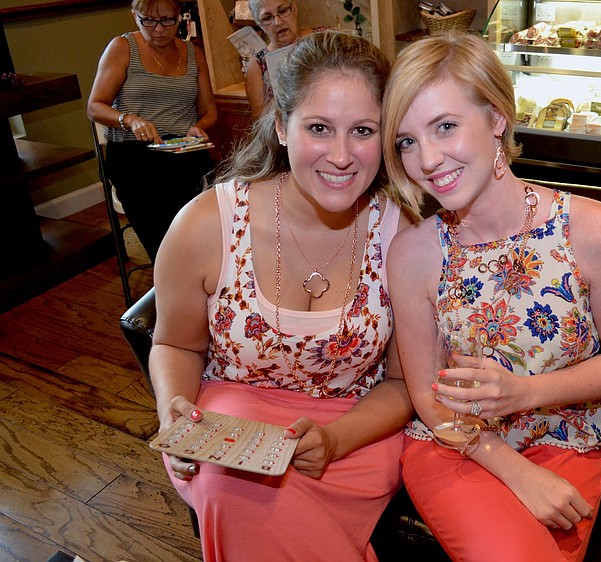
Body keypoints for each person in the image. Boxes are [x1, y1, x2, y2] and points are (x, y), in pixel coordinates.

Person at [149, 31, 416, 561]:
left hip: (355, 429)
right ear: (280, 127)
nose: (341, 156)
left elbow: (404, 383)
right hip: (233, 422)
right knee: (235, 492)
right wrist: (171, 415)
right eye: (319, 128)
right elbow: (175, 345)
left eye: (362, 131)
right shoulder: (206, 225)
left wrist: (336, 440)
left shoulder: (403, 234)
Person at [382, 33, 601, 561]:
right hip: (456, 446)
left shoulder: (590, 229)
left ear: (497, 117)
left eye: (445, 126)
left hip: (565, 438)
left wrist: (525, 392)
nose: (427, 159)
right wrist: (511, 466)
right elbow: (427, 398)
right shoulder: (413, 252)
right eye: (407, 141)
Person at [87, 0, 217, 262]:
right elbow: (94, 107)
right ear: (135, 16)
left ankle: (192, 267)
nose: (158, 29)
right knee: (165, 219)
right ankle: (174, 268)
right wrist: (130, 120)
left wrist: (198, 127)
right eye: (148, 20)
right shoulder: (123, 48)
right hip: (134, 154)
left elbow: (210, 111)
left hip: (183, 152)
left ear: (179, 17)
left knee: (205, 213)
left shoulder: (193, 53)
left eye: (167, 20)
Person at [245, 0, 328, 120]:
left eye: (283, 11)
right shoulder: (257, 65)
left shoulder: (324, 39)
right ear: (259, 24)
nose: (278, 22)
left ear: (294, 8)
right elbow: (260, 122)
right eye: (267, 18)